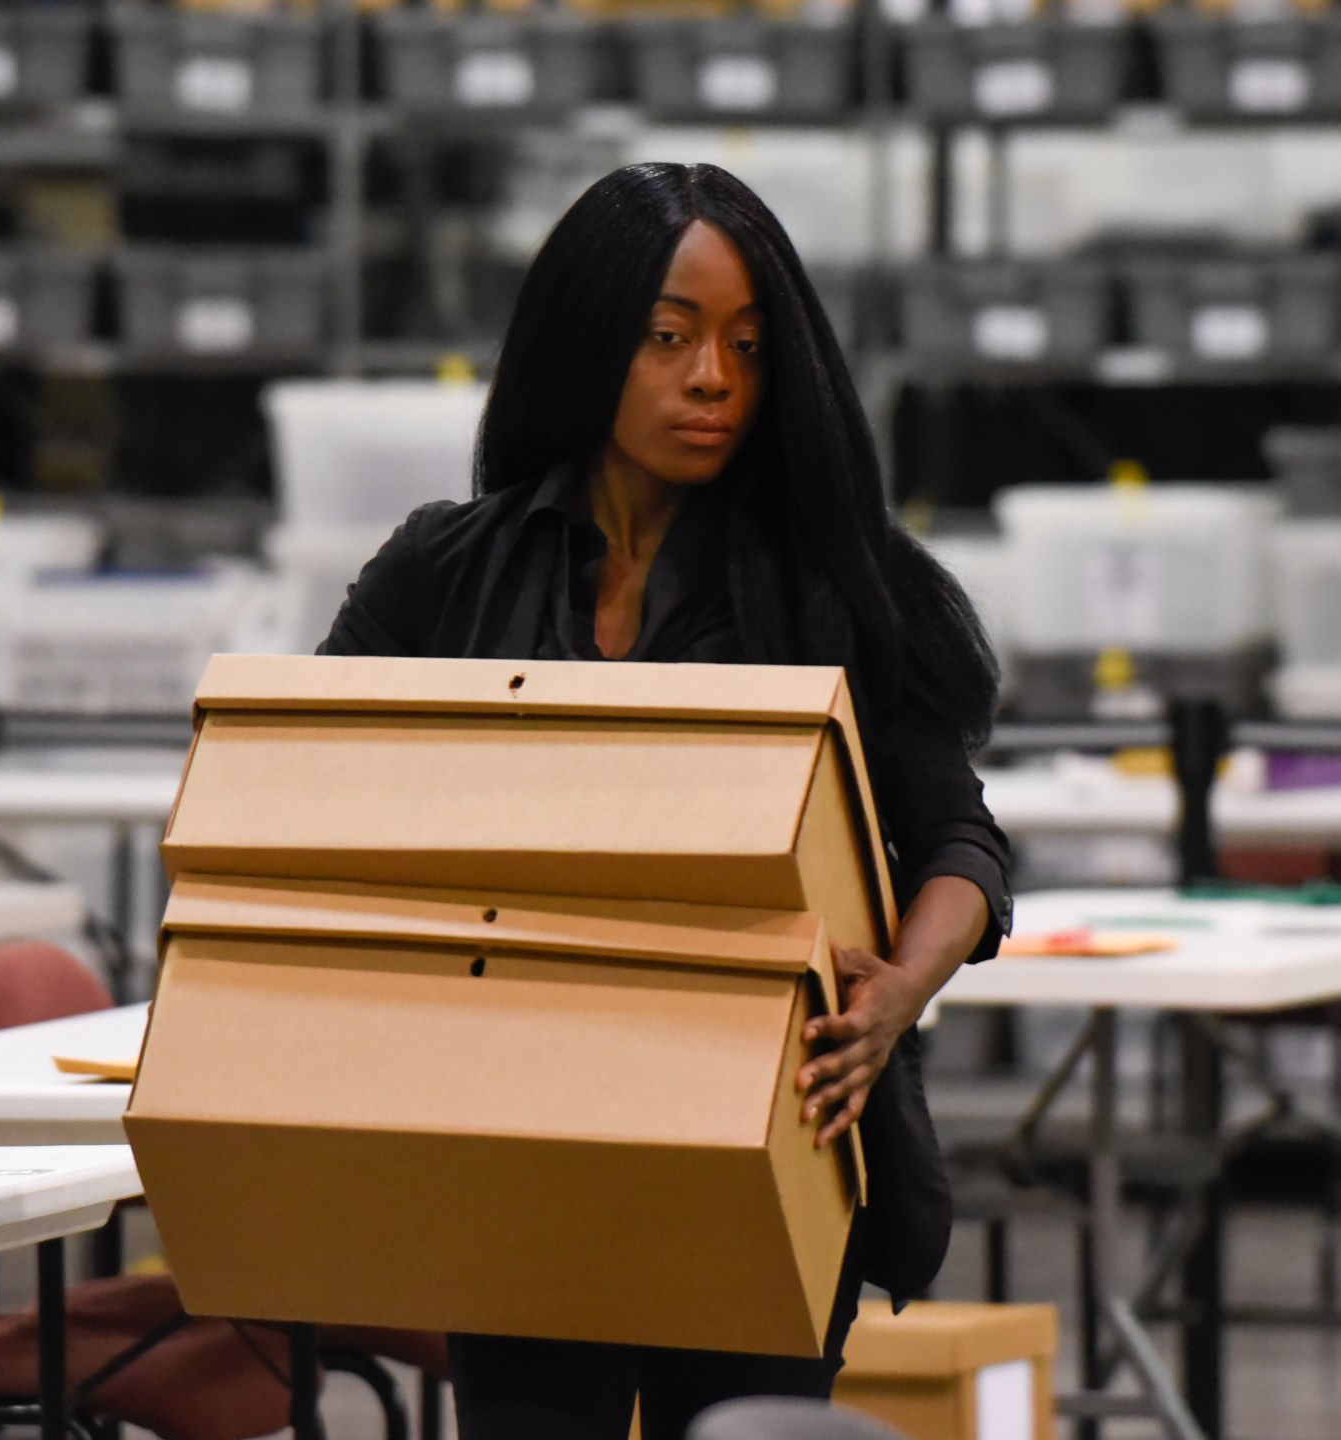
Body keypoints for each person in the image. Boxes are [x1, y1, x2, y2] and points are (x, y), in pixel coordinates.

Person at [318, 161, 1011, 1440]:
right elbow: (306, 790)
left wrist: (898, 991)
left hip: (769, 1135)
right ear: (588, 342)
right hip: (518, 1145)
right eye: (670, 338)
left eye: (748, 347)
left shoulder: (840, 590)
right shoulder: (443, 573)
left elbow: (958, 840)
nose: (713, 381)